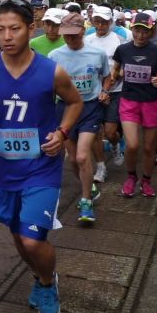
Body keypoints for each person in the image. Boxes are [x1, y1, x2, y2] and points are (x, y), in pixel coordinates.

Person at [0, 0, 82, 313]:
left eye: (15, 29)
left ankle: (48, 285)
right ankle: (39, 276)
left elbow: (74, 102)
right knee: (19, 236)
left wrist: (61, 134)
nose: (7, 36)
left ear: (30, 29)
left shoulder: (51, 71)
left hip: (43, 166)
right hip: (7, 166)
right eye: (0, 29)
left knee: (33, 239)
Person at [48, 13, 111, 224]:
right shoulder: (55, 56)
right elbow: (48, 85)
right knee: (74, 159)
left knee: (83, 157)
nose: (70, 40)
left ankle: (86, 202)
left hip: (90, 107)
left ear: (83, 31)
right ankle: (89, 188)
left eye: (74, 35)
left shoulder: (97, 53)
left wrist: (104, 90)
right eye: (66, 36)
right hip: (64, 109)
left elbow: (107, 75)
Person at [111, 13, 157, 198]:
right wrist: (115, 76)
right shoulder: (122, 50)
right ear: (132, 29)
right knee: (132, 145)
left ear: (151, 31)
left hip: (151, 103)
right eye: (137, 30)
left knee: (149, 148)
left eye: (145, 31)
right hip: (129, 101)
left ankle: (146, 181)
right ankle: (131, 177)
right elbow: (115, 68)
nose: (140, 34)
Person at [84, 6, 126, 182]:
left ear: (111, 22)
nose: (100, 25)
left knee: (110, 132)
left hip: (115, 91)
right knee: (94, 134)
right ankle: (100, 167)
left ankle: (116, 146)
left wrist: (110, 84)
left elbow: (124, 67)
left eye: (104, 22)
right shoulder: (87, 39)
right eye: (97, 21)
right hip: (92, 92)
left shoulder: (120, 40)